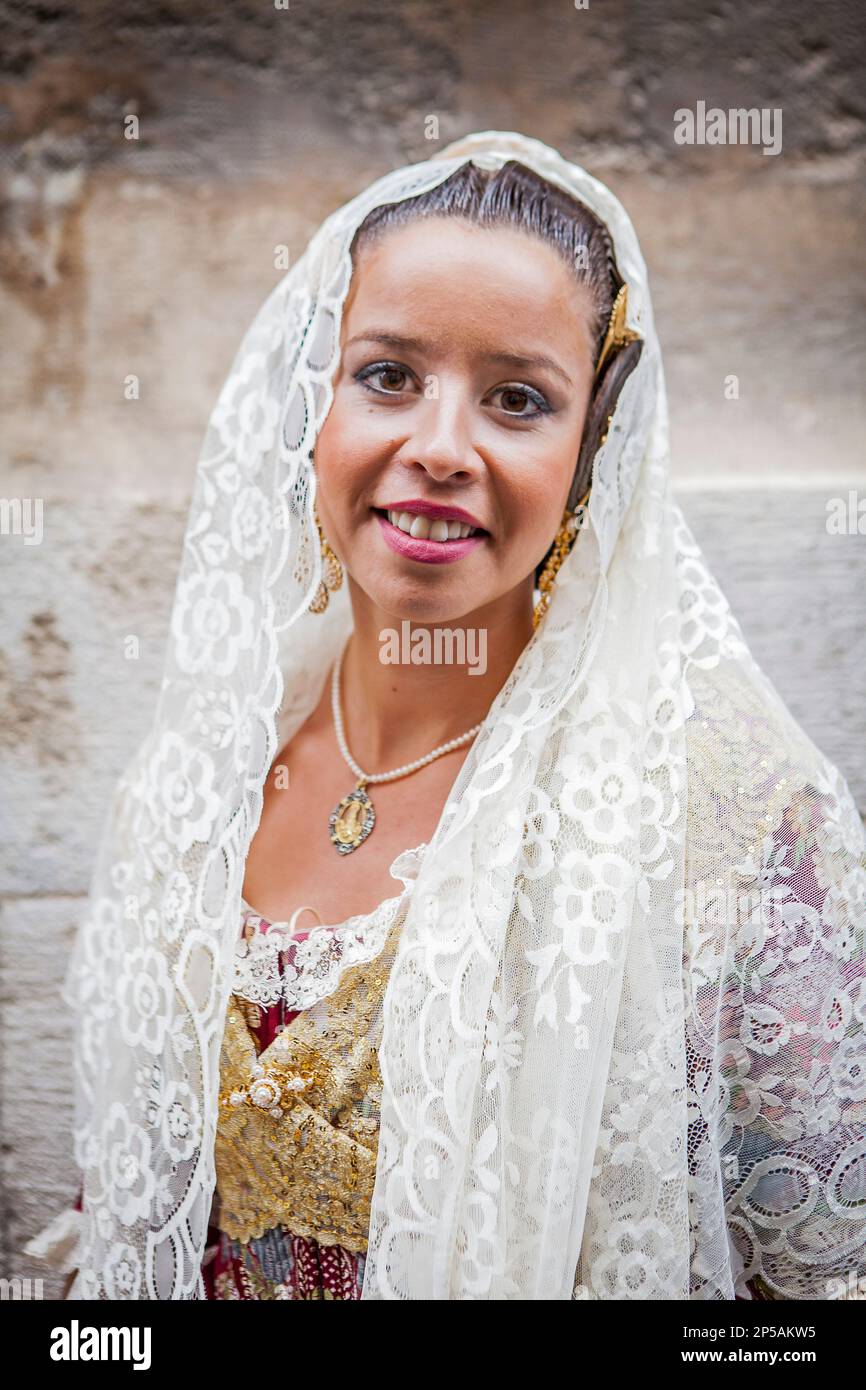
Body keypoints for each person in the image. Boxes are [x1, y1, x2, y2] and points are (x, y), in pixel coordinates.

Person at [25, 131, 866, 1301]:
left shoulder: (730, 822)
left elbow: (816, 1291)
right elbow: (133, 1203)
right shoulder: (213, 762)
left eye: (516, 399)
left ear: (590, 455)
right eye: (387, 375)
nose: (437, 447)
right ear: (312, 403)